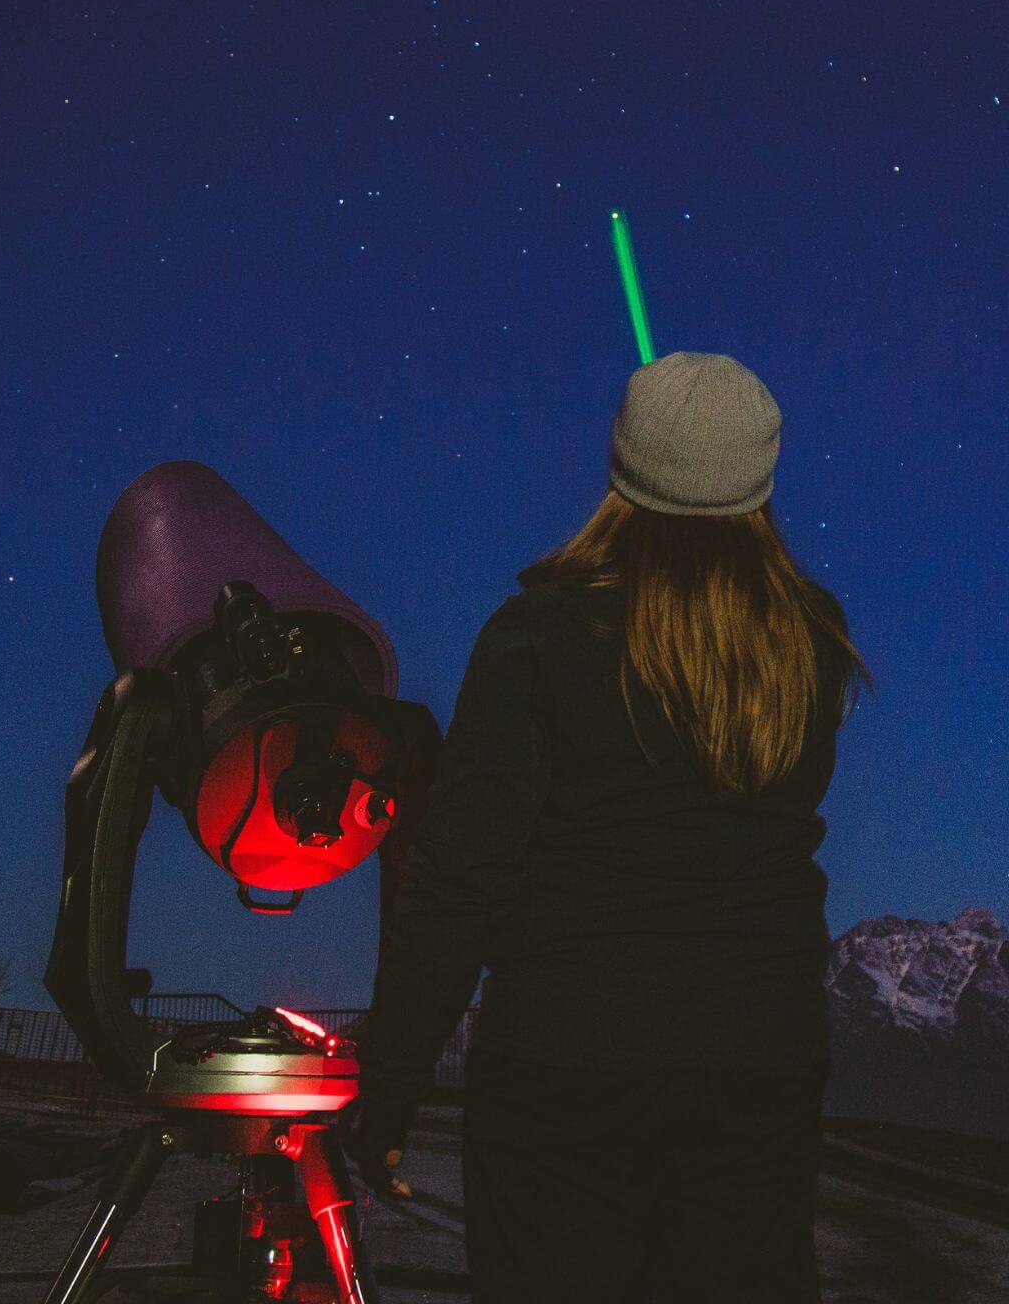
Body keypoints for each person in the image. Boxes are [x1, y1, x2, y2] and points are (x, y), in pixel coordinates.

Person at [349, 350, 874, 1303]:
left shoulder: (538, 637)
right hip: (761, 1063)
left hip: (564, 1068)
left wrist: (390, 1089)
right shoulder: (812, 641)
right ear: (758, 476)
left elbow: (461, 881)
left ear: (624, 468)